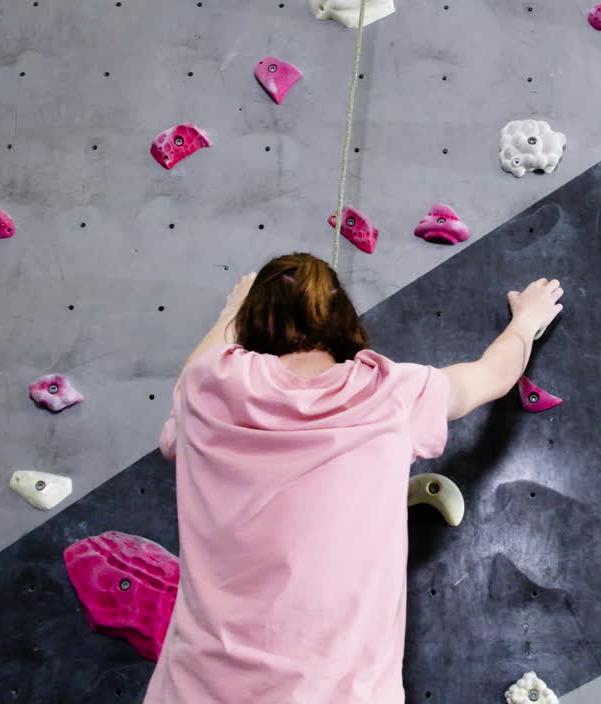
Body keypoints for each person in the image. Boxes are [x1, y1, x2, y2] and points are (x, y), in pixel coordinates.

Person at [143, 252, 564, 703]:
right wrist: (526, 322)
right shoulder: (390, 393)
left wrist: (233, 310)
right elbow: (492, 376)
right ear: (342, 314)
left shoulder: (209, 388)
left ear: (251, 323)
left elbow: (192, 373)